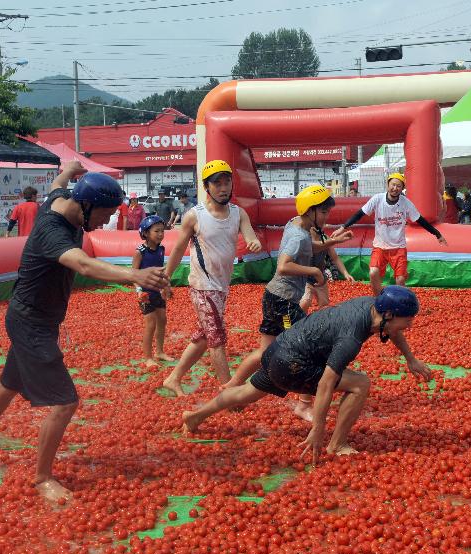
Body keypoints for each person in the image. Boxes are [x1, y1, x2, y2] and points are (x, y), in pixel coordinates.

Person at [0, 161, 170, 503]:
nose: (105, 221)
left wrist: (71, 167)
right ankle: (42, 478)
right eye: (103, 214)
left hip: (34, 317)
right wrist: (135, 277)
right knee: (65, 401)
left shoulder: (62, 198)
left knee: (10, 382)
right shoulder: (53, 229)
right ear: (85, 206)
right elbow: (84, 264)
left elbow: (58, 181)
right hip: (31, 321)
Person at [182, 286, 432, 463]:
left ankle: (193, 417)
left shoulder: (373, 307)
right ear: (388, 314)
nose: (408, 326)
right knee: (360, 383)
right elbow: (325, 383)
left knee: (247, 393)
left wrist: (411, 359)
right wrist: (318, 428)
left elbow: (394, 330)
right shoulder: (351, 336)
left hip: (279, 350)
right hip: (293, 363)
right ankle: (337, 444)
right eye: (407, 321)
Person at [224, 185, 352, 419]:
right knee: (306, 348)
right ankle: (303, 405)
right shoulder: (297, 234)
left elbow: (308, 246)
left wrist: (331, 243)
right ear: (310, 210)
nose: (326, 217)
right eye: (323, 212)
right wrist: (313, 270)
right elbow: (283, 266)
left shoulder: (297, 224)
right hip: (284, 302)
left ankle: (231, 387)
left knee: (265, 350)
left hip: (274, 297)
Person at [161, 160, 262, 396]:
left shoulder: (239, 213)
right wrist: (166, 277)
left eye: (227, 182)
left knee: (205, 335)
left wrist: (253, 242)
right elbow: (177, 250)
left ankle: (173, 377)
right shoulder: (194, 216)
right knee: (216, 338)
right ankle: (229, 391)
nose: (224, 188)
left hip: (221, 286)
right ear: (207, 187)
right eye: (217, 183)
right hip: (202, 285)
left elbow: (250, 235)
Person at [340, 172, 447, 295]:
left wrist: (437, 234)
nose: (395, 188)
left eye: (398, 186)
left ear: (402, 189)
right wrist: (343, 227)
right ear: (387, 184)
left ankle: (399, 302)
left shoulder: (405, 203)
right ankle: (377, 298)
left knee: (400, 280)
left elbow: (420, 220)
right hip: (380, 246)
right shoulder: (377, 199)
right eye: (393, 185)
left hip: (398, 248)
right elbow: (359, 214)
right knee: (373, 272)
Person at [132, 215, 174, 365]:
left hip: (157, 291)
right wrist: (139, 292)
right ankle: (148, 357)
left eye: (162, 231)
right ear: (145, 233)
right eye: (157, 231)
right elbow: (134, 274)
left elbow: (161, 272)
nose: (161, 234)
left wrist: (167, 286)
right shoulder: (140, 252)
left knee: (162, 320)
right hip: (145, 293)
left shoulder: (161, 249)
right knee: (150, 324)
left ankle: (160, 352)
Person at [300, 226, 354, 312]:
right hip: (305, 279)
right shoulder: (304, 237)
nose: (322, 225)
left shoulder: (325, 238)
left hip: (321, 279)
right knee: (305, 301)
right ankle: (298, 320)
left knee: (324, 307)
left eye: (323, 223)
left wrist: (345, 273)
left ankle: (320, 323)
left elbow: (335, 258)